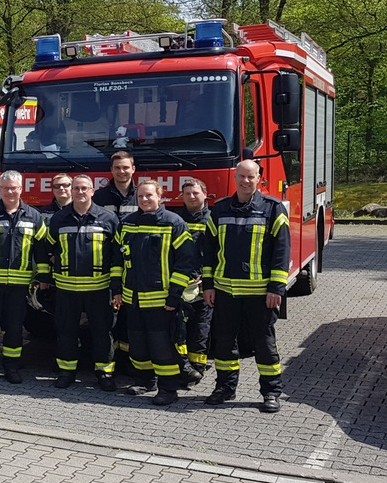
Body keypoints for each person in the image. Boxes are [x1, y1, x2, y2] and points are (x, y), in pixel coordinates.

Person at [202, 160, 290, 413]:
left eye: (250, 177)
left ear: (259, 179)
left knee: (264, 345)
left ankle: (271, 392)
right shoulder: (219, 210)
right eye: (241, 176)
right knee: (224, 344)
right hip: (225, 292)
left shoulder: (272, 209)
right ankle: (225, 388)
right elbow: (209, 251)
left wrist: (277, 288)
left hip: (260, 294)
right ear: (235, 177)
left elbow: (281, 251)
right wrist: (208, 285)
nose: (245, 181)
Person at [114, 180, 196, 405]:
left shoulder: (173, 223)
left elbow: (185, 262)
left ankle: (168, 389)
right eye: (140, 197)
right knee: (138, 344)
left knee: (162, 346)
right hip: (133, 298)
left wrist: (174, 295)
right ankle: (144, 381)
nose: (144, 200)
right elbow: (117, 259)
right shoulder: (127, 224)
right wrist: (117, 290)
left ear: (160, 196)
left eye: (149, 195)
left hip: (162, 301)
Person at [0, 171, 48, 384]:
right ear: (0, 189)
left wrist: (43, 276)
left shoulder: (34, 216)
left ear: (21, 189)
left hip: (19, 284)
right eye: (5, 188)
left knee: (14, 327)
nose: (10, 192)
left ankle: (12, 367)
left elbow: (40, 250)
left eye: (14, 188)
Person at [44, 175, 121, 390]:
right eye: (76, 188)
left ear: (92, 191)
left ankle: (104, 374)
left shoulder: (108, 218)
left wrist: (116, 287)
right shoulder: (59, 219)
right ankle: (67, 372)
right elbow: (47, 247)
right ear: (71, 191)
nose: (80, 192)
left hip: (99, 289)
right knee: (66, 332)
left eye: (84, 188)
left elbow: (116, 256)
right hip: (66, 289)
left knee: (102, 332)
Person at [94, 151, 138, 364]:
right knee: (109, 318)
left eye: (125, 167)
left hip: (136, 265)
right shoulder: (100, 197)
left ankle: (130, 363)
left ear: (133, 169)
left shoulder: (144, 195)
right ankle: (111, 362)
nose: (122, 171)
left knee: (132, 318)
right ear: (111, 171)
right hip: (108, 263)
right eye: (117, 168)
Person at [178, 179, 215, 381]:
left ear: (205, 194)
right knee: (180, 327)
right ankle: (183, 366)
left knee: (202, 327)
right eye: (187, 194)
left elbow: (217, 252)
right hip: (182, 282)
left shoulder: (213, 219)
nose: (191, 197)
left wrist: (206, 278)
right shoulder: (176, 220)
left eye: (195, 193)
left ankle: (198, 366)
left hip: (204, 282)